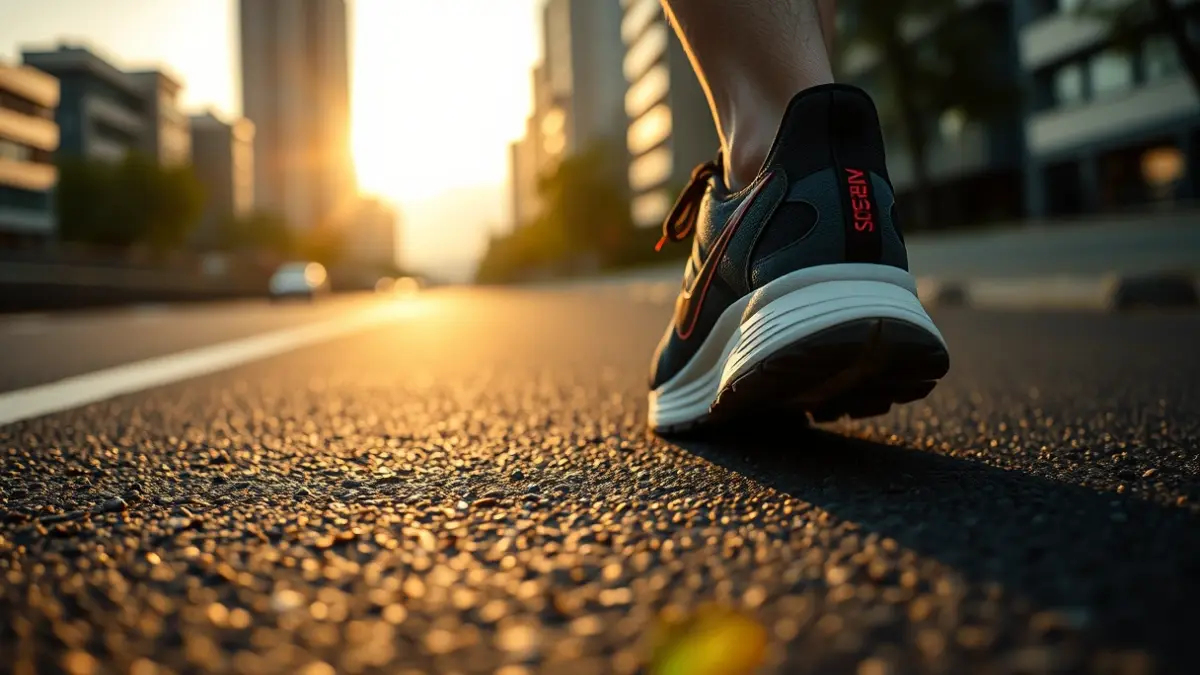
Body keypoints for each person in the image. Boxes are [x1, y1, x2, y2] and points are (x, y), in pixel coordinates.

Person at [647, 0, 951, 433]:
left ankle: (756, 158)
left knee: (768, 119)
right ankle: (826, 177)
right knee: (806, 93)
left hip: (775, 195)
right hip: (860, 207)